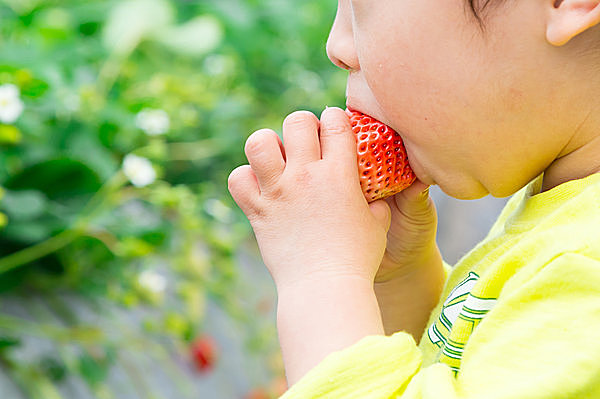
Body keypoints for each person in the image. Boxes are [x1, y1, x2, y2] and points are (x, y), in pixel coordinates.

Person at [228, 0, 600, 397]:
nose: (336, 46)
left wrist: (322, 276)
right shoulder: (565, 211)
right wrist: (401, 280)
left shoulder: (586, 271)